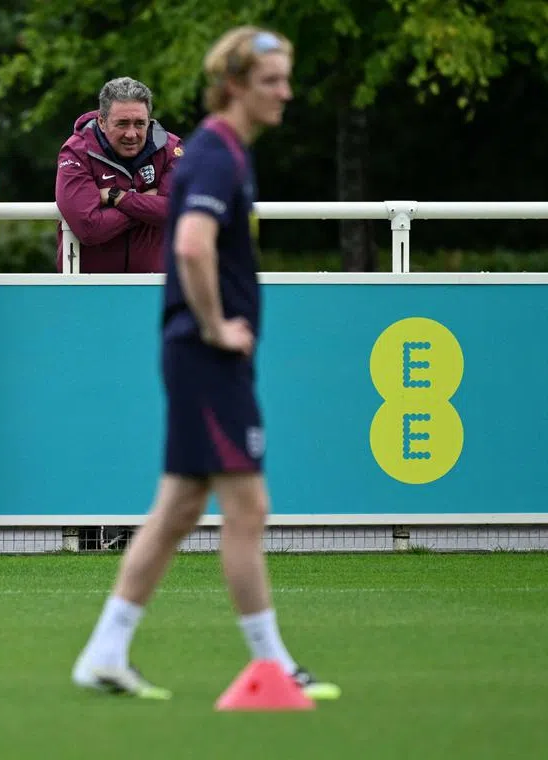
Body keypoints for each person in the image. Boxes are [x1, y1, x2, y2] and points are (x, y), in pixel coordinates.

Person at [70, 27, 341, 701]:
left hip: (193, 354)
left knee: (178, 507)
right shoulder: (218, 155)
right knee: (248, 505)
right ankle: (273, 663)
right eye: (272, 80)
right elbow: (191, 247)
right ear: (234, 87)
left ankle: (104, 652)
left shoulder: (220, 152)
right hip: (205, 357)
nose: (286, 92)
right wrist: (217, 327)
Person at [54, 77, 183, 273]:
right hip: (90, 288)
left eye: (140, 123)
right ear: (102, 122)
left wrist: (117, 197)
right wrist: (147, 205)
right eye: (122, 124)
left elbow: (175, 210)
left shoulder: (172, 149)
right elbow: (88, 227)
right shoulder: (76, 152)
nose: (131, 134)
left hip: (154, 286)